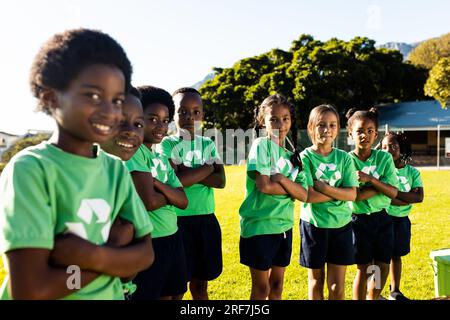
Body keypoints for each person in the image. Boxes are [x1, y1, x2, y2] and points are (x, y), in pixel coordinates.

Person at [0, 29, 154, 300]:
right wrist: (112, 254)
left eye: (117, 100)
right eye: (93, 95)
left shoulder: (115, 170)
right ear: (51, 98)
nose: (109, 110)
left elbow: (142, 258)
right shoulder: (31, 169)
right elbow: (33, 290)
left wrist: (92, 256)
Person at [158, 87, 225, 300]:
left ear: (202, 115)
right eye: (183, 111)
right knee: (177, 288)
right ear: (172, 115)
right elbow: (175, 181)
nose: (190, 117)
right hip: (178, 223)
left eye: (196, 111)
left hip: (206, 221)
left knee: (201, 286)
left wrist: (188, 172)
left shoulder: (208, 144)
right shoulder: (166, 144)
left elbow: (221, 181)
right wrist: (206, 169)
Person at [239, 94, 308, 300]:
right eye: (274, 119)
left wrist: (284, 180)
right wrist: (291, 189)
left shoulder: (293, 156)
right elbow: (265, 186)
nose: (280, 124)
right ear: (263, 121)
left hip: (284, 227)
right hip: (260, 226)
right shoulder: (261, 145)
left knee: (277, 286)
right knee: (261, 289)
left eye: (285, 118)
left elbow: (304, 195)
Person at [126, 85, 188, 300]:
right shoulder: (135, 153)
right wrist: (169, 194)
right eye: (152, 118)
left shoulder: (161, 156)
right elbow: (149, 202)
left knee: (176, 293)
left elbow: (183, 201)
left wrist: (158, 184)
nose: (160, 125)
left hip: (173, 236)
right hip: (149, 242)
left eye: (165, 120)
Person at [299, 104, 358, 300]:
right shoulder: (305, 157)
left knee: (337, 287)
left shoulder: (345, 158)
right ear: (311, 128)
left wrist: (324, 188)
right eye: (321, 124)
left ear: (338, 128)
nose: (327, 129)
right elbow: (308, 195)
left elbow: (352, 195)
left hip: (341, 226)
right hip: (314, 226)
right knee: (316, 282)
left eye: (332, 125)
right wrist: (339, 192)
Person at [346, 108, 399, 300]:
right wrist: (382, 185)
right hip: (358, 220)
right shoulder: (347, 160)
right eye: (360, 131)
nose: (365, 135)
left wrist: (371, 179)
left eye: (370, 131)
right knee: (364, 268)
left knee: (382, 266)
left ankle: (372, 297)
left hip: (382, 218)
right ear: (350, 133)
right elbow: (355, 196)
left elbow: (393, 192)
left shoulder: (383, 158)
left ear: (376, 135)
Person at [379, 132, 424, 300]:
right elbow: (385, 199)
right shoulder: (381, 170)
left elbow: (419, 197)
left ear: (401, 148)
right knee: (378, 258)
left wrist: (394, 195)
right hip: (382, 217)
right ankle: (374, 292)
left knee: (395, 256)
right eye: (384, 147)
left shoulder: (412, 172)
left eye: (392, 146)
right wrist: (405, 197)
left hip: (401, 221)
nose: (388, 150)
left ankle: (395, 291)